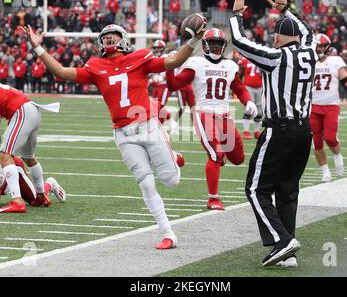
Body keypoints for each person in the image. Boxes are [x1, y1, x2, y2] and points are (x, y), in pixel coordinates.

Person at [22, 18, 206, 249]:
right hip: (123, 134)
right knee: (146, 183)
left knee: (171, 180)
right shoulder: (96, 67)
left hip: (148, 126)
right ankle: (168, 232)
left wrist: (193, 40)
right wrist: (38, 47)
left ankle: (173, 158)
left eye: (114, 35)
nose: (109, 38)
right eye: (105, 36)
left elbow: (174, 60)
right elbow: (60, 72)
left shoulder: (140, 57)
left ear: (124, 40)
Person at [230, 0, 318, 267]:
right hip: (304, 132)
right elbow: (309, 34)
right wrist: (286, 9)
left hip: (279, 130)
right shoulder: (311, 52)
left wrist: (236, 15)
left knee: (256, 189)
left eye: (276, 33)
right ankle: (286, 251)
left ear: (280, 36)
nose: (274, 38)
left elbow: (239, 41)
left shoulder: (277, 57)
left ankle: (282, 240)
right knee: (288, 190)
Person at [166, 28, 257, 210]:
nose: (216, 47)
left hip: (224, 115)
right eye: (213, 43)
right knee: (215, 154)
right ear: (205, 46)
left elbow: (239, 88)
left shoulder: (230, 66)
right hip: (204, 113)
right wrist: (170, 67)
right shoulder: (196, 63)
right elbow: (174, 84)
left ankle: (219, 157)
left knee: (238, 158)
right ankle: (213, 198)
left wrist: (248, 101)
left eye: (219, 44)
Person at [0, 84, 60, 213]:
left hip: (22, 110)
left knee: (5, 155)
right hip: (31, 109)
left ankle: (17, 201)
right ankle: (41, 195)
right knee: (28, 157)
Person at [311, 33, 347, 182]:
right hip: (313, 106)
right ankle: (325, 171)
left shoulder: (335, 61)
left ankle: (337, 155)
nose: (319, 48)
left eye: (321, 46)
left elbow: (345, 79)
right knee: (316, 141)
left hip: (330, 105)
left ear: (327, 47)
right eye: (317, 46)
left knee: (330, 138)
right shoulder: (309, 61)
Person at [0, 156, 66, 210]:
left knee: (36, 200)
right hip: (5, 169)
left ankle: (50, 183)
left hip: (13, 168)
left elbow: (3, 183)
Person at [149, 40, 178, 134]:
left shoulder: (166, 57)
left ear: (163, 48)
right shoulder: (155, 57)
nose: (157, 50)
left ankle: (171, 122)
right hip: (157, 85)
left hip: (165, 85)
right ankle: (160, 125)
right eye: (155, 48)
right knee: (155, 106)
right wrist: (152, 79)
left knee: (159, 105)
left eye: (159, 48)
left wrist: (160, 78)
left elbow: (171, 70)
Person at [238, 56, 263, 139]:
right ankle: (246, 131)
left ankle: (256, 131)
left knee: (259, 111)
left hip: (260, 87)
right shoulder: (244, 59)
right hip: (248, 87)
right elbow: (240, 73)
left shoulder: (261, 58)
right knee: (249, 109)